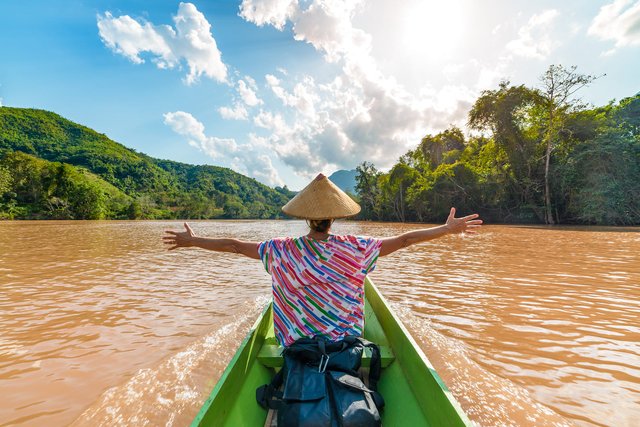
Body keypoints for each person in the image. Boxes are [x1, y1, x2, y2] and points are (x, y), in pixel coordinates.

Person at [163, 173, 482, 347]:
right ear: (335, 217)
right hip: (346, 348)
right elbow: (406, 239)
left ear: (305, 217)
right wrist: (446, 229)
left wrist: (192, 242)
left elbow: (233, 246)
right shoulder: (358, 248)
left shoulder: (279, 250)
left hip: (296, 349)